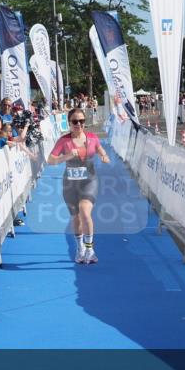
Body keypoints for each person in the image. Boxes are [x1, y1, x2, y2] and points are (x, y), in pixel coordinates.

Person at [47, 108, 110, 264]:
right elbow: (50, 160)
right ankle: (80, 248)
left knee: (84, 211)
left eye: (82, 121)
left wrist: (104, 156)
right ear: (69, 123)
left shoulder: (92, 137)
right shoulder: (64, 141)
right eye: (75, 121)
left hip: (89, 181)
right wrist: (68, 155)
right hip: (70, 184)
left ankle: (90, 249)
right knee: (76, 217)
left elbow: (101, 150)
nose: (79, 124)